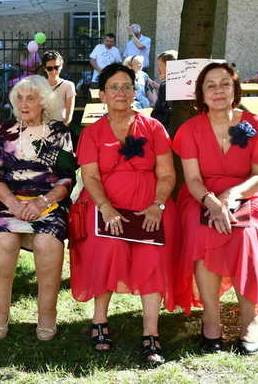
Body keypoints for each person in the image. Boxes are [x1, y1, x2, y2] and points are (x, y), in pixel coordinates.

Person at [69, 63, 177, 363]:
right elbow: (89, 177)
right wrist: (106, 207)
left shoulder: (154, 128)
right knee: (107, 249)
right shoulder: (92, 132)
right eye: (114, 87)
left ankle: (151, 332)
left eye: (127, 86)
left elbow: (167, 174)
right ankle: (99, 321)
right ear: (102, 94)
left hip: (149, 206)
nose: (121, 92)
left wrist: (157, 204)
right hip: (105, 206)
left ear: (135, 91)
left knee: (151, 257)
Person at [173, 62, 258, 355]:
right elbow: (192, 180)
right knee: (199, 231)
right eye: (210, 85)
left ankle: (249, 319)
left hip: (248, 194)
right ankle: (211, 319)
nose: (218, 90)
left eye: (225, 84)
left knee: (246, 234)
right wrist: (213, 203)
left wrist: (232, 195)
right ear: (201, 94)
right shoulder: (190, 129)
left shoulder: (253, 124)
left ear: (235, 90)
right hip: (202, 196)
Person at [0, 75, 77, 342]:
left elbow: (67, 177)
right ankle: (0, 313)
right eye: (20, 98)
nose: (24, 103)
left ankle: (47, 313)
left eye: (31, 98)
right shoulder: (5, 130)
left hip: (48, 203)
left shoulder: (59, 132)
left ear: (44, 101)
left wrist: (42, 202)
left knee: (48, 242)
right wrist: (13, 203)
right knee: (1, 241)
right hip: (9, 202)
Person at [42, 50, 76, 125]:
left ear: (61, 67)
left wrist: (61, 130)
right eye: (49, 68)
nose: (53, 71)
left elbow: (69, 116)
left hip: (60, 128)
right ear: (45, 68)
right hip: (41, 128)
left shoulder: (68, 86)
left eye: (56, 67)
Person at [151, 50, 178, 132]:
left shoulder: (183, 87)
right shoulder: (164, 86)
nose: (158, 69)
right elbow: (156, 114)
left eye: (160, 65)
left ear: (169, 67)